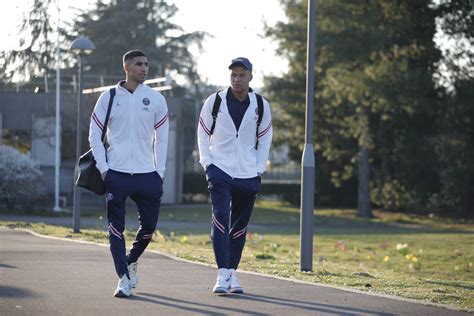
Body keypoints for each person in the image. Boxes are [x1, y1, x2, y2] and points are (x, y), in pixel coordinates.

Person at [88, 50, 169, 297]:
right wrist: (104, 169)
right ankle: (123, 278)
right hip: (117, 173)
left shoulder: (156, 99)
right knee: (115, 228)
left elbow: (162, 138)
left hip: (148, 175)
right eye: (138, 64)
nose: (144, 68)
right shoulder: (109, 97)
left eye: (146, 64)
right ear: (126, 66)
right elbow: (94, 134)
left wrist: (160, 171)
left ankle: (131, 259)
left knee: (149, 227)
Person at [197, 57, 273, 294]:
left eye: (242, 75)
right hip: (219, 169)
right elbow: (202, 133)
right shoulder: (215, 101)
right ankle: (222, 274)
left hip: (248, 173)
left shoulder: (260, 104)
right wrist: (207, 163)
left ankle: (232, 272)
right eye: (233, 75)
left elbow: (265, 140)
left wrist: (259, 168)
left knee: (239, 225)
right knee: (220, 217)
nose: (237, 79)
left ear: (251, 76)